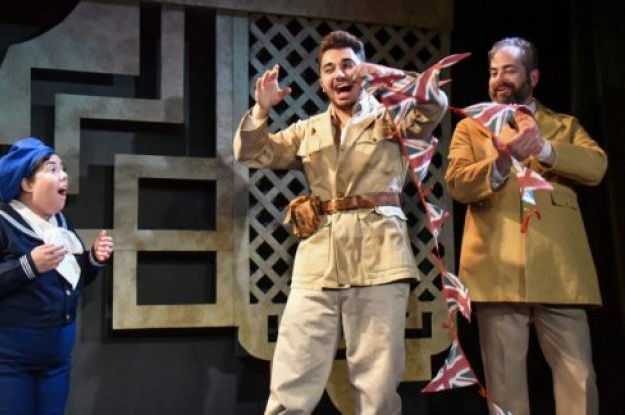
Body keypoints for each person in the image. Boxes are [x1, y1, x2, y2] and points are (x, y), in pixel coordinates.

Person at [234, 30, 447, 414]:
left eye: (348, 65)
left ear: (363, 70)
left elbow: (434, 102)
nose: (339, 75)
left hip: (379, 256)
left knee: (377, 384)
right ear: (321, 80)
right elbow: (252, 152)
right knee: (292, 373)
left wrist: (386, 75)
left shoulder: (392, 118)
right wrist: (261, 111)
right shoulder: (308, 129)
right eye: (329, 68)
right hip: (319, 259)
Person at [445, 37, 607, 415]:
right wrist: (501, 163)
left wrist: (544, 149)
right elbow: (457, 184)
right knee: (505, 386)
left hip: (559, 268)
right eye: (493, 72)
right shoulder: (471, 128)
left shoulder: (564, 125)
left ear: (532, 76)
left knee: (579, 377)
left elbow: (596, 166)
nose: (499, 79)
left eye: (509, 70)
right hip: (497, 267)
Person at [0, 137, 114, 414]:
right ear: (26, 183)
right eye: (53, 169)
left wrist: (93, 259)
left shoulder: (60, 223)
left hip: (55, 364)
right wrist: (27, 265)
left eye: (63, 168)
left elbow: (70, 280)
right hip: (5, 364)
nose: (64, 175)